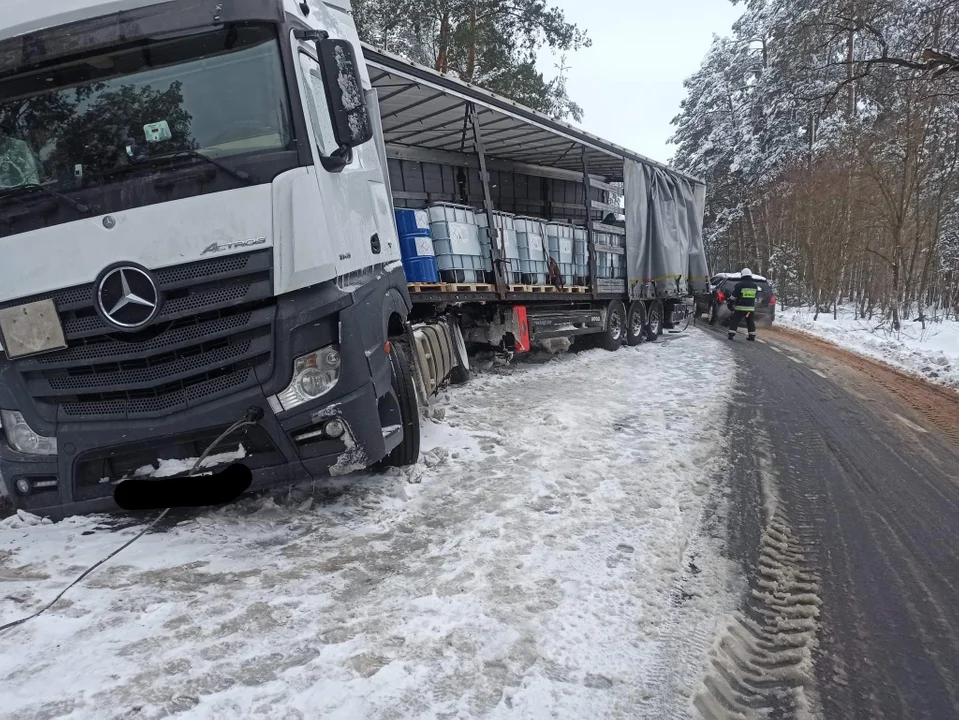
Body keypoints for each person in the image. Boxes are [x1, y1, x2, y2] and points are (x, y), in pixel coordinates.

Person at [727, 268, 760, 341]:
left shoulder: (740, 285)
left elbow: (734, 295)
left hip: (740, 308)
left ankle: (731, 335)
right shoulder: (755, 285)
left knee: (735, 320)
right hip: (750, 309)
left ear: (742, 275)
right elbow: (755, 295)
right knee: (750, 321)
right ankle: (751, 336)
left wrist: (730, 302)